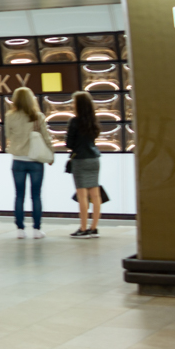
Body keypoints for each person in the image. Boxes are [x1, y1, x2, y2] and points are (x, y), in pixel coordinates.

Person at [5, 86, 55, 239]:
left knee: (19, 195)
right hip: (35, 161)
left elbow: (7, 135)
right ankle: (37, 230)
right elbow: (46, 137)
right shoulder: (37, 116)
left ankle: (20, 229)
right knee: (36, 195)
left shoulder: (10, 116)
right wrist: (51, 154)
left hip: (18, 161)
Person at [67, 90, 103, 238]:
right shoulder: (93, 121)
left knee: (82, 196)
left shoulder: (74, 122)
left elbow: (69, 143)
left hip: (80, 160)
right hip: (94, 159)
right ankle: (93, 228)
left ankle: (83, 228)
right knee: (95, 195)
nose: (72, 104)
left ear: (79, 105)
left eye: (74, 102)